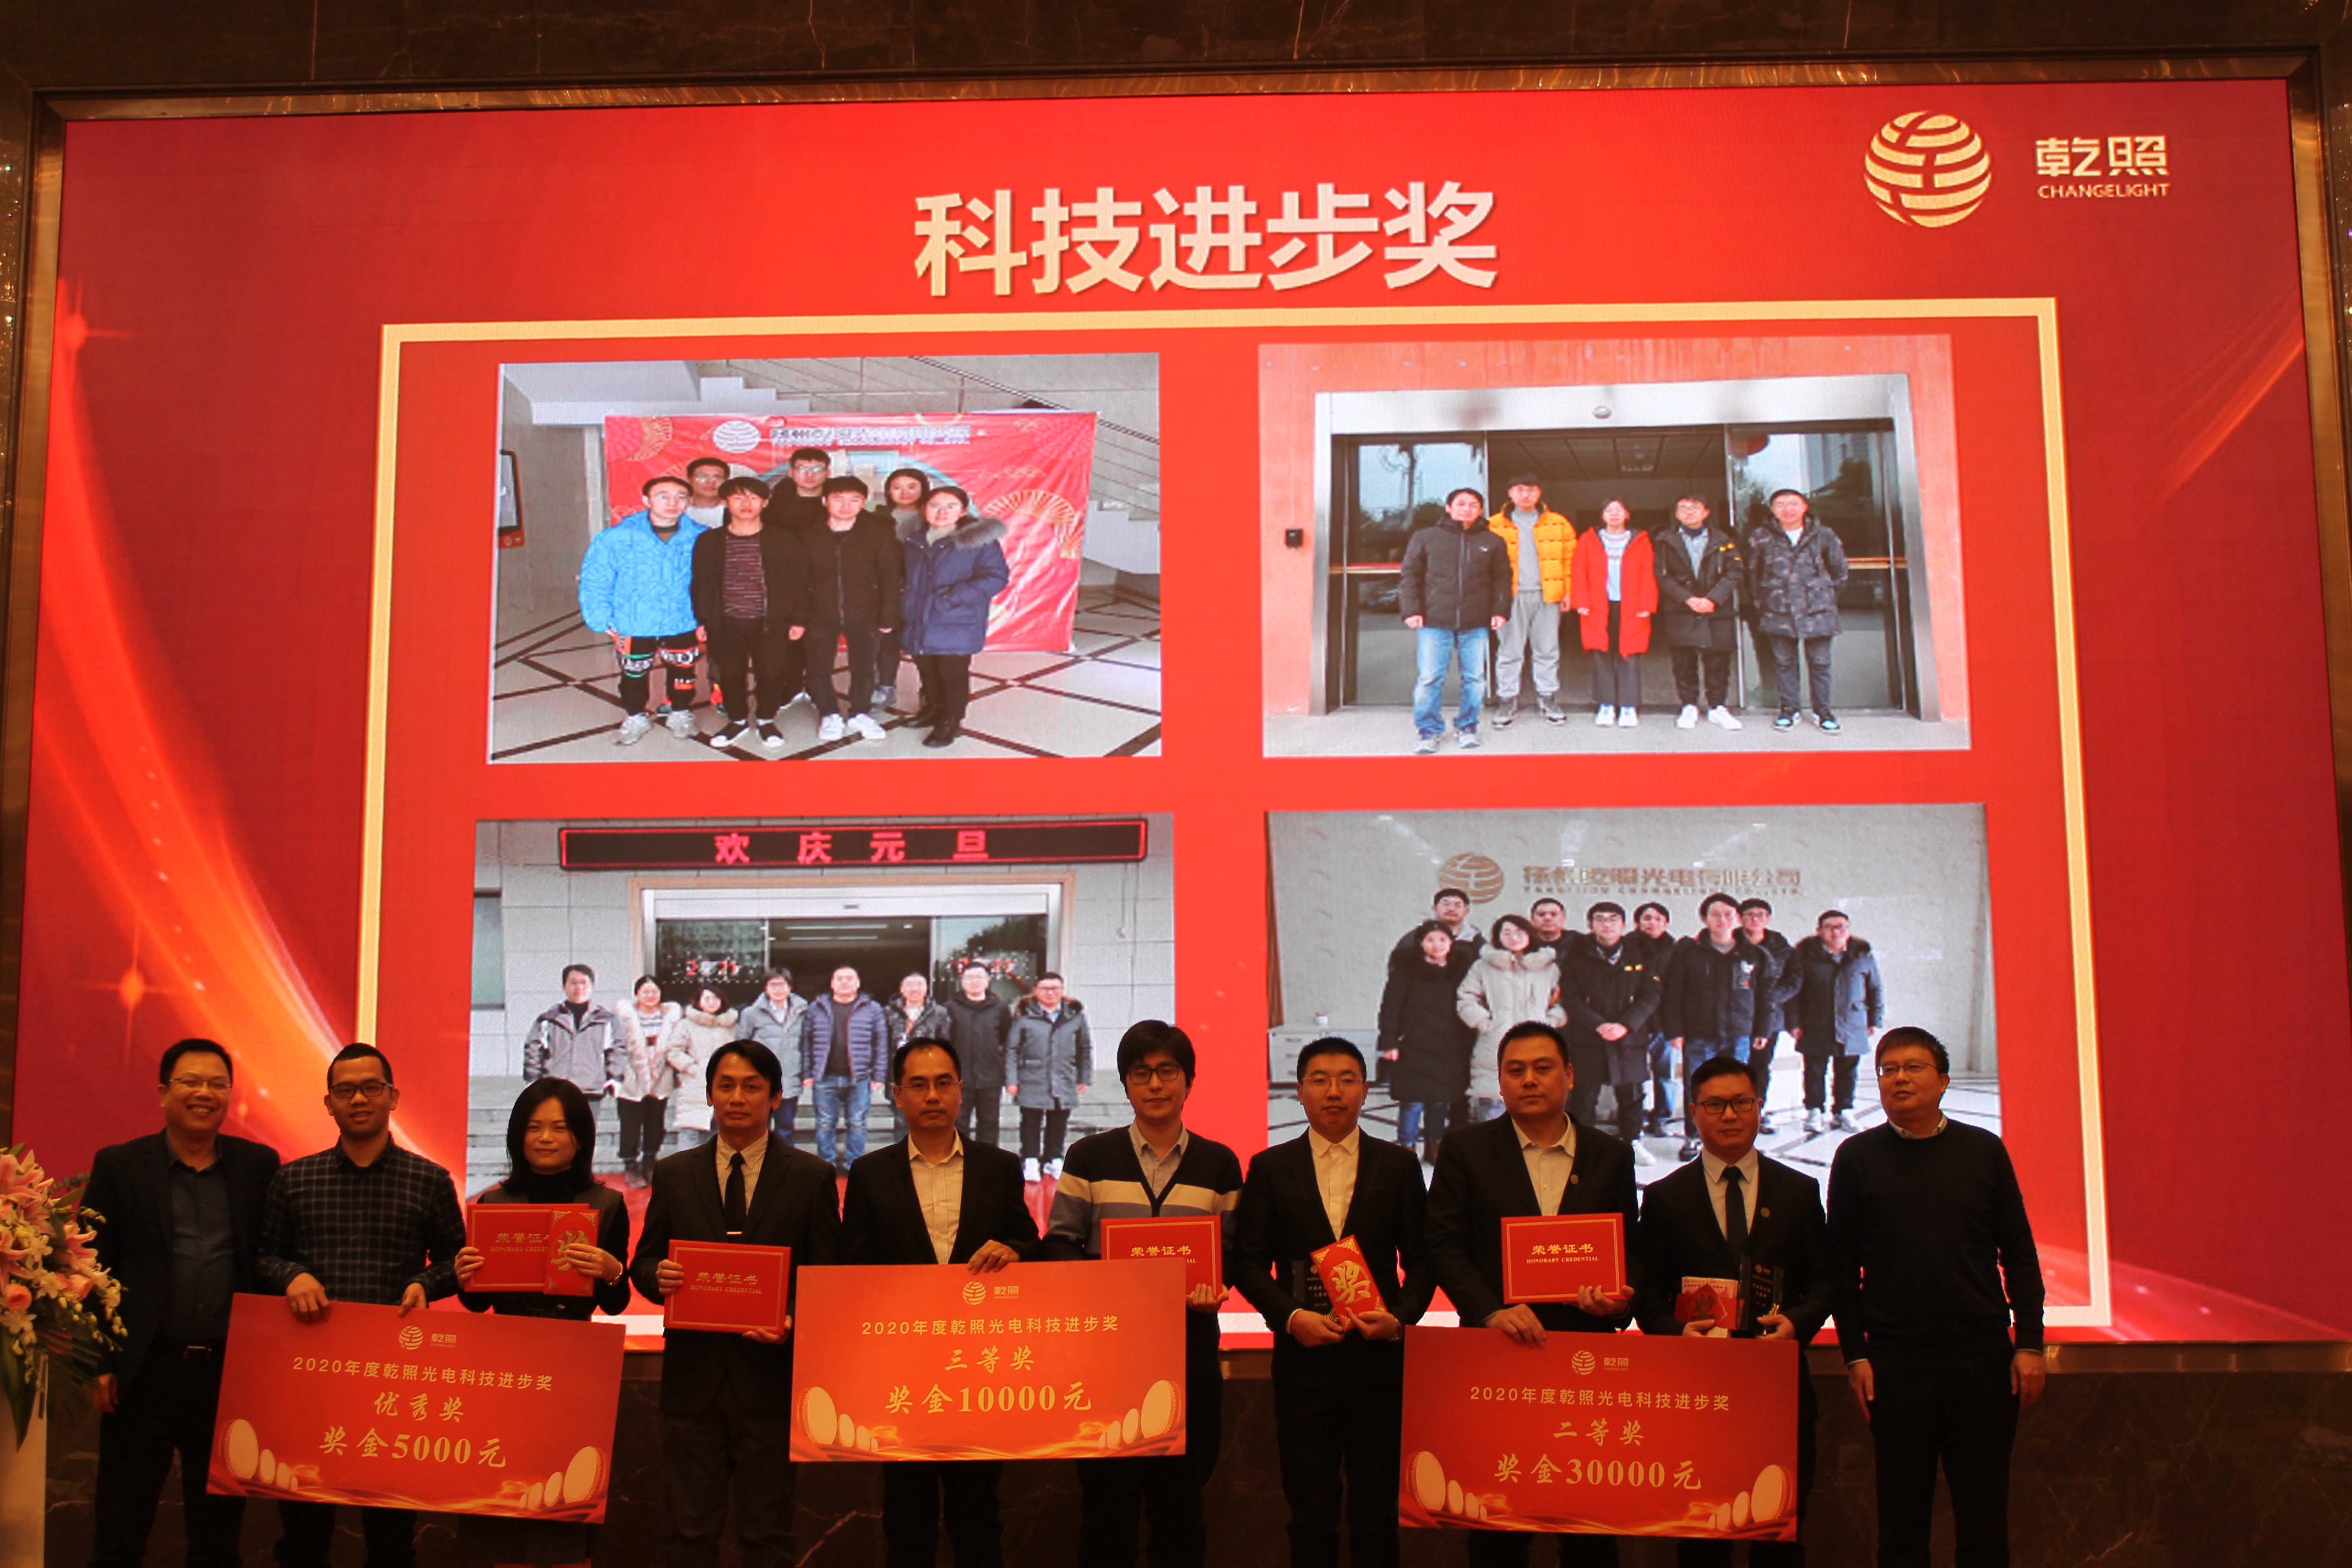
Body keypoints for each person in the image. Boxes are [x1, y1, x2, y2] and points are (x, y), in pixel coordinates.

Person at [1829, 1027, 2045, 1568]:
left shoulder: (1983, 1150)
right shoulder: (1856, 1157)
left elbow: (2019, 1252)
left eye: (1914, 1067)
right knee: (1901, 1527)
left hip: (1982, 1361)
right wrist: (1855, 1354)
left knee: (1984, 1523)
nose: (1899, 1079)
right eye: (1888, 1070)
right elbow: (1840, 1267)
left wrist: (2030, 1342)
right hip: (1896, 1363)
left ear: (1944, 1080)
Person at [1425, 1021, 1638, 1568]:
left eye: (1543, 1068)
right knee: (1498, 1523)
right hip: (1498, 1357)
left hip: (1584, 1360)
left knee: (1589, 1524)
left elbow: (1630, 1249)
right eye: (1515, 1070)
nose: (1529, 1080)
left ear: (1569, 1075)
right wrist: (1490, 1311)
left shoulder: (1611, 1154)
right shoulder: (1466, 1149)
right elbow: (1443, 1243)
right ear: (1499, 1082)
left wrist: (1620, 1301)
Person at [630, 1039, 842, 1568]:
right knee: (687, 1536)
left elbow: (828, 1278)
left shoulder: (811, 1177)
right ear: (709, 1095)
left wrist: (791, 1318)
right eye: (726, 1086)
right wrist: (658, 1275)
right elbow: (645, 1263)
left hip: (771, 1383)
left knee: (769, 1537)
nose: (738, 1098)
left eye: (752, 1087)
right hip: (692, 1387)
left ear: (775, 1097)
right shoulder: (675, 1173)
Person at [256, 1044, 465, 1568]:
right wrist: (292, 1275)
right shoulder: (294, 1180)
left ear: (393, 1097)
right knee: (303, 1536)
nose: (359, 1099)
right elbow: (263, 1257)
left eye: (371, 1087)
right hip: (310, 1379)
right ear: (328, 1103)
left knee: (391, 1539)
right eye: (345, 1090)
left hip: (393, 1381)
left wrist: (424, 1284)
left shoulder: (429, 1180)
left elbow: (457, 1262)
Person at [1044, 1021, 1243, 1568]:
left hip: (1189, 1358)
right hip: (1106, 1362)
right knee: (1106, 1518)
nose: (1155, 1085)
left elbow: (1233, 1252)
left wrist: (1215, 1284)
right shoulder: (1089, 1157)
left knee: (1182, 1518)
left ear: (1189, 1081)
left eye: (1167, 1072)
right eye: (1141, 1073)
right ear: (1127, 1085)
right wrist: (1104, 1289)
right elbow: (1058, 1244)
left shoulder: (1219, 1164)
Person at [1235, 1038, 1433, 1568]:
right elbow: (1247, 1263)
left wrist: (1399, 1321)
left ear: (1366, 1091)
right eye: (1319, 1080)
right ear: (1299, 1092)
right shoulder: (1271, 1167)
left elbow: (1423, 1261)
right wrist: (1290, 1317)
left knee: (1376, 1518)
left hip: (1379, 1367)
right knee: (1310, 1517)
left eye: (1347, 1080)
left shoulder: (1399, 1164)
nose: (1333, 1092)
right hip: (1304, 1367)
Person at [841, 1037, 1039, 1568]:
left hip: (979, 1373)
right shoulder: (870, 1174)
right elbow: (851, 1271)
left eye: (943, 1083)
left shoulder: (999, 1167)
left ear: (960, 1090)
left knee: (979, 1517)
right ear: (897, 1095)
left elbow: (1032, 1247)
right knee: (907, 1519)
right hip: (901, 1376)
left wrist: (1016, 1251)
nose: (933, 1096)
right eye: (919, 1085)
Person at [1632, 1056, 1834, 1568]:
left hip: (1777, 1388)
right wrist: (1676, 1332)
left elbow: (1826, 1280)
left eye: (1741, 1103)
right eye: (1715, 1105)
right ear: (1693, 1113)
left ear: (1759, 1107)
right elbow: (1647, 1294)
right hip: (1697, 1393)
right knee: (1702, 1540)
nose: (1730, 1115)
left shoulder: (1798, 1191)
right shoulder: (1665, 1197)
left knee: (1779, 1536)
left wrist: (1797, 1322)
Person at [85, 1040, 280, 1568]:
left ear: (230, 1095)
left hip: (226, 1375)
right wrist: (100, 1362)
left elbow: (270, 1257)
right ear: (163, 1092)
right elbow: (91, 1267)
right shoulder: (120, 1166)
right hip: (143, 1373)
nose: (204, 1093)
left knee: (218, 1540)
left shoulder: (258, 1166)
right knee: (120, 1533)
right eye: (191, 1082)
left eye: (217, 1084)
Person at [452, 1079, 632, 1567]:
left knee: (565, 1500)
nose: (546, 1138)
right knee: (502, 1498)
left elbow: (616, 1304)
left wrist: (613, 1271)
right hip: (505, 1374)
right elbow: (476, 1306)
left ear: (581, 1138)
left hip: (572, 1375)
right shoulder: (492, 1205)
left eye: (559, 1127)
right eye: (534, 1128)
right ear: (518, 1136)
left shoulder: (606, 1205)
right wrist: (466, 1276)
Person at [578, 473, 709, 745]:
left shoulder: (702, 537)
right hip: (634, 620)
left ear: (689, 502)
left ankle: (680, 712)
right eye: (663, 496)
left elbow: (712, 582)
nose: (672, 503)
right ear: (646, 500)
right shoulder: (615, 538)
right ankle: (635, 716)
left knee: (684, 672)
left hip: (683, 619)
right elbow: (596, 579)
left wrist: (708, 618)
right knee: (633, 673)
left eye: (680, 497)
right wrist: (600, 618)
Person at [688, 475, 807, 752]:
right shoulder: (709, 541)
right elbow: (701, 583)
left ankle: (766, 719)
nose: (746, 503)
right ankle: (737, 720)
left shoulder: (783, 539)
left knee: (772, 673)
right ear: (726, 502)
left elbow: (800, 581)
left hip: (771, 622)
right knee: (730, 674)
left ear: (765, 503)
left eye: (754, 497)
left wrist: (799, 619)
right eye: (738, 497)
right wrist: (703, 620)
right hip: (725, 622)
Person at [897, 484, 1011, 749]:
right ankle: (932, 710)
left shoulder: (978, 540)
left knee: (952, 674)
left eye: (951, 507)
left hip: (956, 618)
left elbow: (996, 577)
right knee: (927, 670)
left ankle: (951, 721)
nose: (942, 512)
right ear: (924, 509)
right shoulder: (913, 540)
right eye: (935, 506)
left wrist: (952, 597)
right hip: (918, 617)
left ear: (962, 511)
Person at [1398, 486, 1511, 753]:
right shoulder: (1426, 537)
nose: (1467, 509)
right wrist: (1411, 610)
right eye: (1461, 504)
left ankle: (1468, 727)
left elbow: (1502, 580)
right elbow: (1410, 576)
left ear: (1481, 510)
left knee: (1475, 679)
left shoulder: (1493, 541)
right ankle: (1428, 731)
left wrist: (1500, 611)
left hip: (1476, 621)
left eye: (1473, 505)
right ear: (1448, 508)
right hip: (1434, 620)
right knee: (1430, 678)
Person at [1662, 894, 1770, 1162]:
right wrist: (1675, 1031)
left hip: (1739, 1033)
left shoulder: (1754, 954)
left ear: (1738, 918)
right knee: (1699, 1087)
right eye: (1716, 915)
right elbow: (1672, 993)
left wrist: (1763, 1030)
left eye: (1729, 914)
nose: (1723, 920)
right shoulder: (1688, 953)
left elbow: (1766, 996)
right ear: (1704, 919)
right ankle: (1695, 1136)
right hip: (1699, 1034)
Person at [795, 475, 899, 744]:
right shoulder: (807, 534)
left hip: (866, 612)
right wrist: (799, 617)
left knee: (864, 667)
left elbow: (890, 576)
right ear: (824, 501)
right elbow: (796, 579)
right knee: (818, 667)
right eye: (838, 499)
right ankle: (829, 713)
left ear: (864, 503)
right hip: (819, 612)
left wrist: (888, 614)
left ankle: (860, 712)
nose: (846, 506)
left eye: (854, 500)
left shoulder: (878, 533)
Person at [1557, 901, 1662, 1159]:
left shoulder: (1640, 954)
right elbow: (1571, 997)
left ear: (1624, 925)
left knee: (1632, 1094)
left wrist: (1626, 1025)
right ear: (1590, 925)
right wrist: (1598, 1024)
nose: (1607, 924)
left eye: (1613, 919)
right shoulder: (1577, 955)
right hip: (1589, 1036)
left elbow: (1651, 994)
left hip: (1630, 1036)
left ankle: (1633, 1141)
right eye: (1600, 919)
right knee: (1584, 1096)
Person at [1746, 488, 1849, 733]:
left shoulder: (1823, 535)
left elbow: (1840, 571)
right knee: (1784, 663)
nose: (1788, 509)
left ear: (1805, 507)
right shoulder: (1760, 537)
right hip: (1778, 611)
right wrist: (1765, 602)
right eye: (1780, 505)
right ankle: (1789, 710)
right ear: (1773, 510)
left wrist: (1824, 597)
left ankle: (1823, 712)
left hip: (1818, 612)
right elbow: (1752, 575)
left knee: (1820, 663)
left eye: (1793, 504)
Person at [1375, 923, 1474, 1169]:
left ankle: (1435, 1146)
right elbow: (1390, 1009)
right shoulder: (1406, 972)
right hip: (1413, 1045)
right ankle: (1407, 1147)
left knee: (1440, 1101)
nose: (1437, 945)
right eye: (1430, 940)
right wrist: (1389, 1042)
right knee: (1413, 1101)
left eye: (1442, 940)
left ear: (1451, 943)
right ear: (1421, 943)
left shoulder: (1460, 972)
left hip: (1449, 1047)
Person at [1779, 911, 1884, 1134]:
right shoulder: (1804, 955)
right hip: (1815, 1021)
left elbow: (1875, 988)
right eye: (1830, 927)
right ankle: (1814, 1111)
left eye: (1841, 927)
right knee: (1815, 1070)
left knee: (1848, 1070)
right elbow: (1793, 992)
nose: (1836, 932)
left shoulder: (1862, 955)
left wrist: (1875, 1019)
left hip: (1852, 1021)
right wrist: (1793, 1023)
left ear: (1849, 930)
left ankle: (1844, 1111)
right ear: (1819, 931)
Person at [1453, 914, 1563, 1125]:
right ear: (1498, 937)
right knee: (1495, 1110)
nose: (1514, 937)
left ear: (1530, 935)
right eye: (1507, 933)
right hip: (1496, 1043)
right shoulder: (1483, 966)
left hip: (1538, 1042)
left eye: (1520, 932)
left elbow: (1562, 1000)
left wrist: (1550, 1022)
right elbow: (1466, 997)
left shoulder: (1548, 967)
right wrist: (1484, 1022)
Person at [1485, 475, 1575, 727]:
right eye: (1520, 490)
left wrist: (1568, 592)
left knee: (1547, 650)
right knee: (1509, 651)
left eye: (1531, 490)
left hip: (1548, 595)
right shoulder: (1494, 525)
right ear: (1510, 493)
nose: (1526, 495)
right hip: (1510, 597)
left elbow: (1570, 560)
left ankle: (1548, 698)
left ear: (1540, 493)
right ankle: (1507, 700)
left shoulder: (1558, 523)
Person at [1651, 494, 1745, 732]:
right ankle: (1689, 705)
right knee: (1683, 661)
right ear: (1676, 514)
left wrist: (1713, 599)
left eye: (1695, 507)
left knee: (1718, 661)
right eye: (1683, 508)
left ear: (1706, 512)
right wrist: (1688, 599)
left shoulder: (1724, 540)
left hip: (1717, 609)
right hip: (1681, 608)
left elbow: (1735, 572)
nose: (1689, 512)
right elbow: (1661, 576)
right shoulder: (1665, 541)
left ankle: (1717, 707)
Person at [521, 963, 628, 1164]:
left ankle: (581, 1176)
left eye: (583, 983)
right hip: (556, 1089)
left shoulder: (606, 1020)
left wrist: (615, 1077)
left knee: (584, 1139)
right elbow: (533, 1047)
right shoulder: (549, 1019)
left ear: (591, 986)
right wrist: (533, 1079)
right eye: (573, 983)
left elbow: (617, 1049)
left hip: (590, 1088)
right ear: (565, 986)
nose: (578, 987)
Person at [1570, 497, 1657, 728]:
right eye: (1609, 510)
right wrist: (1581, 601)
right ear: (1602, 516)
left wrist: (1647, 604)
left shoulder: (1640, 540)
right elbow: (1579, 570)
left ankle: (1628, 706)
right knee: (1601, 653)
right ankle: (1606, 704)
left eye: (1619, 510)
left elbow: (1648, 573)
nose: (1614, 514)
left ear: (1628, 515)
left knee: (1630, 653)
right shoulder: (1589, 539)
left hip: (1632, 605)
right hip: (1598, 604)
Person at [800, 964, 890, 1173]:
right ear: (832, 984)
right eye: (839, 979)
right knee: (825, 1123)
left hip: (859, 1077)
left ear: (858, 983)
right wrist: (807, 1073)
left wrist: (879, 1075)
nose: (844, 982)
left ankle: (854, 1165)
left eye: (850, 978)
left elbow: (881, 1044)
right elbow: (806, 1042)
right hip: (825, 1077)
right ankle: (826, 1164)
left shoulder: (872, 1009)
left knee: (857, 1123)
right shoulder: (817, 1008)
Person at [1009, 972, 1091, 1183]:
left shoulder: (1075, 1017)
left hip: (1063, 1077)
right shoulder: (1024, 1016)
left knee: (1059, 1121)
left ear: (1062, 991)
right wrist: (1011, 1080)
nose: (1050, 993)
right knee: (1030, 1122)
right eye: (1045, 989)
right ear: (1036, 991)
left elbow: (1084, 1048)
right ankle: (1030, 1160)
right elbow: (1012, 1050)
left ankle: (1053, 1159)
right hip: (1032, 1077)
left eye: (1055, 989)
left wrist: (1084, 1077)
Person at [870, 466, 931, 711]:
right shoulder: (876, 518)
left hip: (924, 590)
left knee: (925, 640)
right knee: (887, 639)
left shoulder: (933, 516)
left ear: (923, 489)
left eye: (912, 487)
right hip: (888, 590)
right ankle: (885, 688)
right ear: (888, 491)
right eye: (897, 487)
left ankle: (929, 690)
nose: (904, 492)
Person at [618, 974, 683, 1185]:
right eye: (645, 991)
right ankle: (631, 1164)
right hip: (632, 1073)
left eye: (654, 991)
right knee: (630, 1123)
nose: (650, 995)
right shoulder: (626, 1016)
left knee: (655, 1121)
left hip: (660, 1072)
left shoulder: (670, 1016)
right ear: (637, 994)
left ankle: (650, 1161)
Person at [943, 961, 1015, 1148]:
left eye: (979, 977)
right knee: (957, 1123)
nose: (974, 981)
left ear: (988, 980)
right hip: (958, 1078)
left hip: (990, 1077)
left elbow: (1006, 1039)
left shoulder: (1000, 1008)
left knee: (989, 1123)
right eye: (969, 978)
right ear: (961, 981)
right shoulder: (950, 1008)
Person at [1738, 899, 1794, 1134]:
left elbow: (1795, 979)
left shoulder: (1781, 946)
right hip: (1736, 1015)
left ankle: (1756, 1112)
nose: (1755, 919)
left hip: (1769, 1016)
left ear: (1768, 919)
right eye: (1749, 914)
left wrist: (1770, 999)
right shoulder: (1730, 942)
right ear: (1741, 918)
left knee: (1760, 1066)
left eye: (1760, 915)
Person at [1630, 903, 1684, 1145]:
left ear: (1666, 923)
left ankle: (1661, 1117)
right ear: (1637, 923)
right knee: (1634, 1075)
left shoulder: (1676, 950)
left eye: (1658, 919)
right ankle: (1634, 1118)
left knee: (1665, 1073)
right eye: (1647, 918)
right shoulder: (1627, 947)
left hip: (1665, 1023)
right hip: (1635, 1022)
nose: (1653, 923)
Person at [737, 969, 807, 1147]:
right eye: (773, 985)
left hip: (789, 1080)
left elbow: (807, 1045)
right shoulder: (751, 1013)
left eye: (782, 985)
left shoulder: (803, 1012)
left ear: (790, 987)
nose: (778, 990)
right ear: (766, 988)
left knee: (786, 1127)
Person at [881, 971, 954, 1142]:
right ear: (901, 989)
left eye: (919, 985)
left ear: (927, 988)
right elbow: (883, 1046)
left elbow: (945, 1045)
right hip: (899, 1076)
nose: (915, 989)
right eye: (910, 985)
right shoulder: (889, 1013)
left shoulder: (939, 1013)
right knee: (902, 1122)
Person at [666, 987, 739, 1151]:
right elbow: (674, 1051)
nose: (711, 1002)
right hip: (695, 1085)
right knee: (690, 1132)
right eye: (707, 999)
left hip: (726, 1086)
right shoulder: (687, 1025)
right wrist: (693, 1068)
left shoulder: (731, 1026)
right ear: (698, 1001)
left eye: (716, 998)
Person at [1386, 887, 1483, 968]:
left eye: (1458, 905)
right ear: (1435, 908)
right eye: (1446, 904)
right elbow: (1397, 967)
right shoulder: (1417, 937)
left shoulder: (1475, 940)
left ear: (1466, 911)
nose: (1451, 909)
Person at [682, 455, 732, 528]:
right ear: (689, 479)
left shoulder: (734, 513)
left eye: (717, 478)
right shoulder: (676, 509)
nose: (710, 482)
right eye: (702, 477)